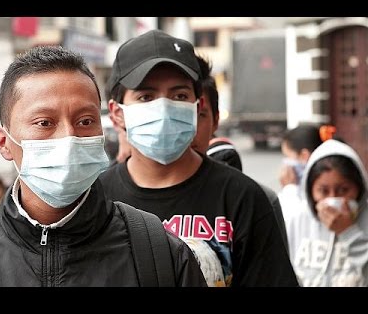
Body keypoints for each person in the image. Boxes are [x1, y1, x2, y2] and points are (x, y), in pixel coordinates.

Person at [0, 45, 207, 287]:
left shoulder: (160, 253)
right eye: (44, 123)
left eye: (85, 121)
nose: (69, 137)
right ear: (4, 142)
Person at [99, 29, 298, 287]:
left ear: (198, 106)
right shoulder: (97, 199)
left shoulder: (242, 198)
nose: (164, 108)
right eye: (146, 97)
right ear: (117, 113)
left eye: (179, 96)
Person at [191, 55, 288, 252]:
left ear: (215, 120)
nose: (187, 127)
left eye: (199, 114)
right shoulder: (115, 199)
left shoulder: (254, 201)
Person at [286, 138, 368, 286]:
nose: (333, 199)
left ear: (359, 189)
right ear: (310, 192)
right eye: (323, 191)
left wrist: (348, 231)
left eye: (343, 190)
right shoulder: (296, 219)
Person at [278, 125, 324, 223]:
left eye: (287, 156)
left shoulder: (317, 186)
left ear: (304, 155)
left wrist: (289, 188)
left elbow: (291, 220)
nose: (285, 162)